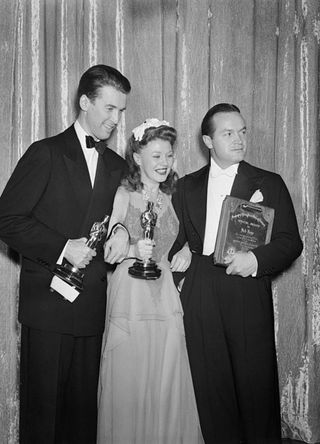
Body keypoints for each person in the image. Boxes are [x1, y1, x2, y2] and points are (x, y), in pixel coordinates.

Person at [0, 64, 131, 444]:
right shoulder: (46, 153)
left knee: (81, 419)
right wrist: (62, 247)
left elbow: (115, 218)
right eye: (108, 108)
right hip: (48, 306)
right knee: (44, 421)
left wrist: (121, 229)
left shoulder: (117, 165)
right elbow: (7, 219)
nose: (115, 119)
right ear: (84, 102)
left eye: (120, 111)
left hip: (91, 306)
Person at [170, 103, 303, 444]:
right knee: (210, 388)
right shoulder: (185, 187)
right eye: (228, 133)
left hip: (246, 289)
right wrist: (182, 249)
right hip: (200, 292)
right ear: (208, 141)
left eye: (242, 131)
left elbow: (290, 242)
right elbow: (174, 240)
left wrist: (256, 260)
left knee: (254, 387)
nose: (239, 139)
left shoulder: (268, 183)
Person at [97, 118, 204, 443]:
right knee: (132, 380)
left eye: (168, 155)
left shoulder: (175, 195)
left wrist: (187, 249)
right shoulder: (123, 194)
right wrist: (131, 247)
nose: (164, 163)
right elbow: (108, 252)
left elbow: (190, 236)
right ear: (138, 156)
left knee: (167, 377)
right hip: (131, 296)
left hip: (165, 294)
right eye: (156, 155)